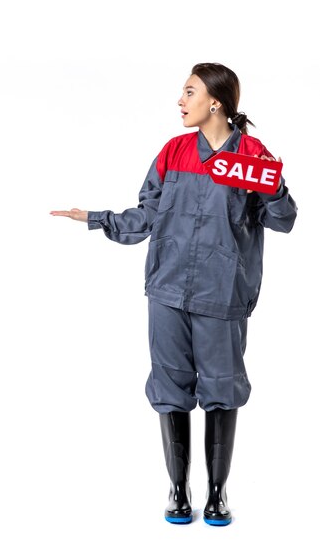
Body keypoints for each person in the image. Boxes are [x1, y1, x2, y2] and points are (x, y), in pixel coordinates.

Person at [50, 62, 297, 526]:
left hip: (221, 296)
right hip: (166, 291)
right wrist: (96, 217)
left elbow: (283, 220)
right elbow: (147, 216)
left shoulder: (252, 156)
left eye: (189, 92)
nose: (181, 101)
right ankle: (178, 491)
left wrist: (273, 182)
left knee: (221, 391)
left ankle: (218, 494)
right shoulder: (173, 151)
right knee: (170, 388)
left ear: (216, 102)